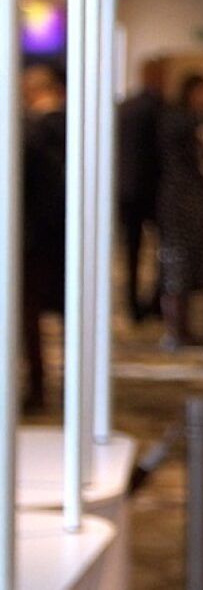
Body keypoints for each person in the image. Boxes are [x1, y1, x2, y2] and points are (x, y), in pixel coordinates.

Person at [20, 63, 68, 413]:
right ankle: (73, 384)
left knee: (30, 314)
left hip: (33, 237)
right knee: (71, 310)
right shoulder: (76, 125)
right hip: (68, 231)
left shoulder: (30, 133)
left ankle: (38, 387)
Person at [156, 72, 203, 349]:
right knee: (177, 263)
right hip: (179, 200)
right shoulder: (182, 122)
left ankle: (181, 328)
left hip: (184, 198)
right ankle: (176, 329)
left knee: (184, 264)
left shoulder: (181, 120)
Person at [117, 56, 167, 322]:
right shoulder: (159, 108)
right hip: (153, 188)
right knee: (164, 248)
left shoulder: (125, 108)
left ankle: (133, 304)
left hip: (126, 189)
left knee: (131, 251)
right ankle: (155, 301)